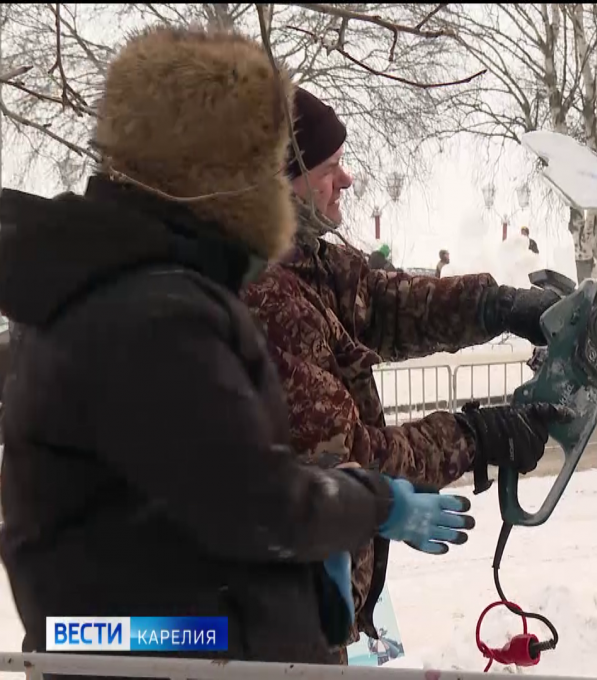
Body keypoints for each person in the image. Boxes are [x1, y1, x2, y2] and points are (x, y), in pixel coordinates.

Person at [0, 26, 475, 665]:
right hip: (150, 662)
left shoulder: (125, 289)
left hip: (133, 652)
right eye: (263, 160)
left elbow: (190, 511)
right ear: (217, 173)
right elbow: (255, 507)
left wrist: (299, 585)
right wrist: (372, 504)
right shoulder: (150, 313)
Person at [241, 86, 571, 663]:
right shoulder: (267, 298)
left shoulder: (310, 262)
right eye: (329, 167)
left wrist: (502, 307)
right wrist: (475, 437)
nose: (345, 180)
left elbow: (386, 302)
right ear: (281, 181)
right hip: (268, 629)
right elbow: (353, 459)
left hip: (304, 611)